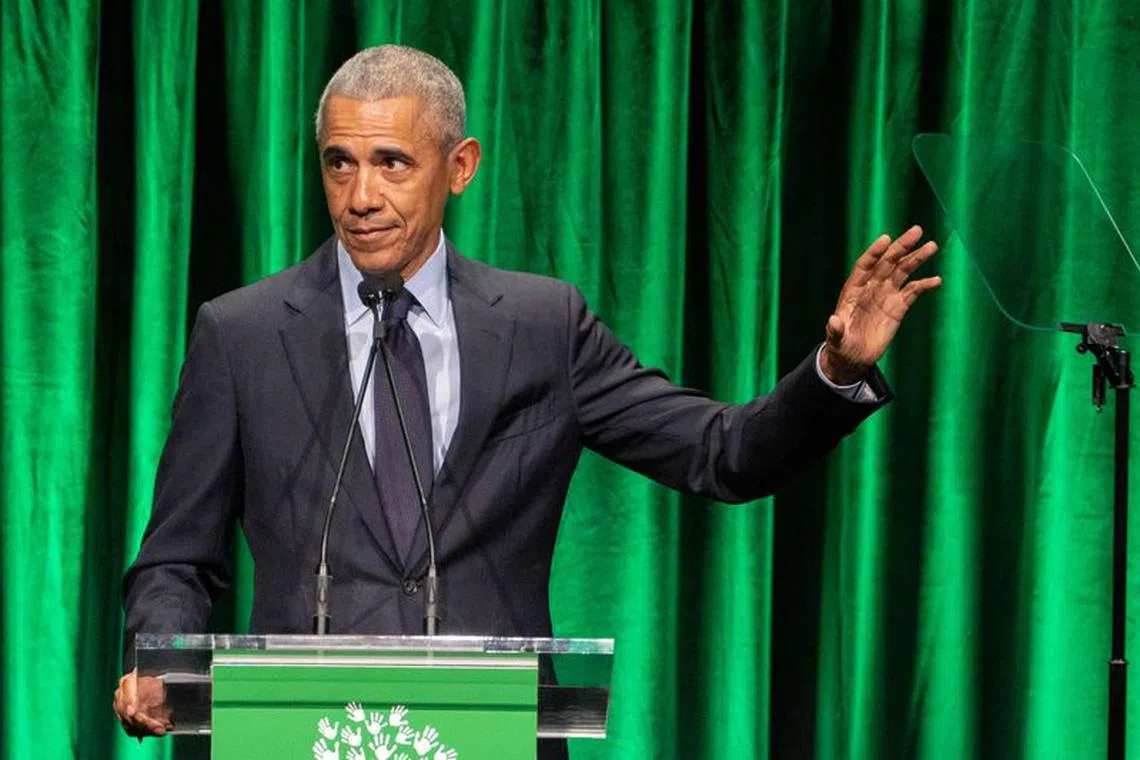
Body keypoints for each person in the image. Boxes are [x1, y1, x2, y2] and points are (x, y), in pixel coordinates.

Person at [113, 45, 940, 743]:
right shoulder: (244, 331)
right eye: (340, 163)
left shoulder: (544, 326)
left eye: (391, 163)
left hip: (491, 736)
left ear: (460, 166)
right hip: (295, 739)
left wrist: (834, 370)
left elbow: (722, 455)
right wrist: (159, 660)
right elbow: (177, 557)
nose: (360, 197)